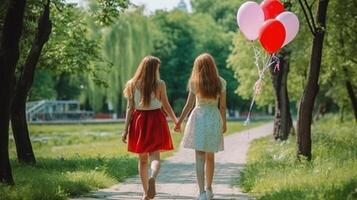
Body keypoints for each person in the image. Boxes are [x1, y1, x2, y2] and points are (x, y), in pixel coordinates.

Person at [122, 56, 178, 200]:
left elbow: (129, 108)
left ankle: (145, 192)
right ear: (154, 69)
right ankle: (152, 177)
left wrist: (125, 130)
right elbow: (166, 105)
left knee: (142, 160)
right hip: (156, 120)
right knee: (155, 156)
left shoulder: (132, 84)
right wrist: (176, 121)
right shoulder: (160, 84)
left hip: (139, 121)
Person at [175, 53, 227, 200]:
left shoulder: (194, 82)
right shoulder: (221, 82)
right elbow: (222, 106)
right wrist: (224, 123)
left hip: (198, 119)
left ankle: (201, 193)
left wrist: (179, 121)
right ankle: (210, 188)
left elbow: (189, 105)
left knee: (199, 157)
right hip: (213, 118)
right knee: (211, 156)